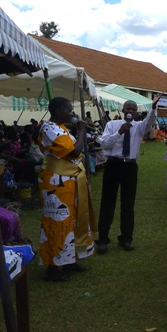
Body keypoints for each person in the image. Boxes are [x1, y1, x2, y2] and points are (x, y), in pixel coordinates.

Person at [38, 97, 97, 281]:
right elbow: (74, 152)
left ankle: (69, 259)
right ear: (57, 111)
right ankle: (53, 268)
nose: (71, 113)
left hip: (70, 179)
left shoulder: (62, 129)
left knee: (72, 219)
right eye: (68, 110)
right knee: (58, 220)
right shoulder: (49, 129)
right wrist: (80, 131)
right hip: (57, 183)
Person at [95, 94, 163, 253]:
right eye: (128, 108)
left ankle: (126, 239)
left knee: (128, 204)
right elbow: (104, 144)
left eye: (134, 109)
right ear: (123, 110)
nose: (131, 111)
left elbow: (150, 121)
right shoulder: (112, 124)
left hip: (130, 167)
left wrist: (153, 108)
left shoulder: (139, 126)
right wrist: (119, 132)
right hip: (113, 165)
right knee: (107, 203)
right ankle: (103, 240)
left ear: (137, 112)